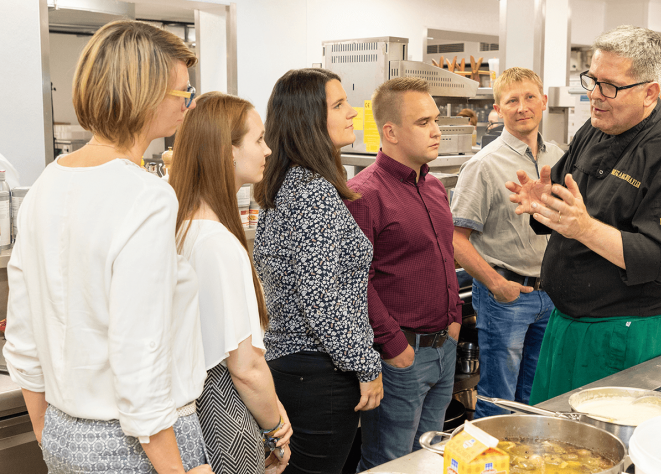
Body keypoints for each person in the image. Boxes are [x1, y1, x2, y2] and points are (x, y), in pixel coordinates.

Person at [2, 20, 213, 473]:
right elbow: (141, 354)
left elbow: (21, 342)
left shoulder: (45, 183)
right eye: (183, 92)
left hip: (65, 432)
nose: (188, 104)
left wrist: (51, 439)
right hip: (139, 444)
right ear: (146, 94)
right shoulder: (147, 195)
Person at [506, 25, 661, 403]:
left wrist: (584, 229)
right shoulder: (595, 129)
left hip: (622, 334)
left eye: (610, 86)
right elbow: (566, 205)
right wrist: (544, 205)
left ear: (650, 92)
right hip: (564, 324)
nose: (594, 96)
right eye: (592, 81)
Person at [252, 68, 383, 474]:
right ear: (308, 119)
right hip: (318, 371)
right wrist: (366, 364)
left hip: (297, 367)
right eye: (339, 105)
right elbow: (322, 300)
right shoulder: (312, 192)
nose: (353, 114)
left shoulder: (290, 184)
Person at [170, 92, 293, 474]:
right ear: (227, 152)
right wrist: (277, 427)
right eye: (258, 140)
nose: (268, 150)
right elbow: (245, 367)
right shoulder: (218, 243)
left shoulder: (181, 227)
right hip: (223, 413)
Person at [345, 77, 462, 470]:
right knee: (388, 462)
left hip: (444, 347)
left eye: (436, 120)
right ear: (390, 131)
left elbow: (445, 256)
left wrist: (455, 321)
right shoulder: (364, 194)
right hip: (400, 357)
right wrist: (394, 346)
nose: (436, 130)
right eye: (423, 122)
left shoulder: (434, 187)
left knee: (430, 459)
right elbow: (354, 282)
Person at [451, 67, 563, 418]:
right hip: (508, 297)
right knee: (498, 400)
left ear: (544, 101)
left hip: (553, 294)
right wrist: (498, 285)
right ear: (497, 109)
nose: (522, 107)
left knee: (539, 395)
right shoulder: (483, 165)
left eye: (530, 97)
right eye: (511, 100)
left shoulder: (559, 157)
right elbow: (455, 238)